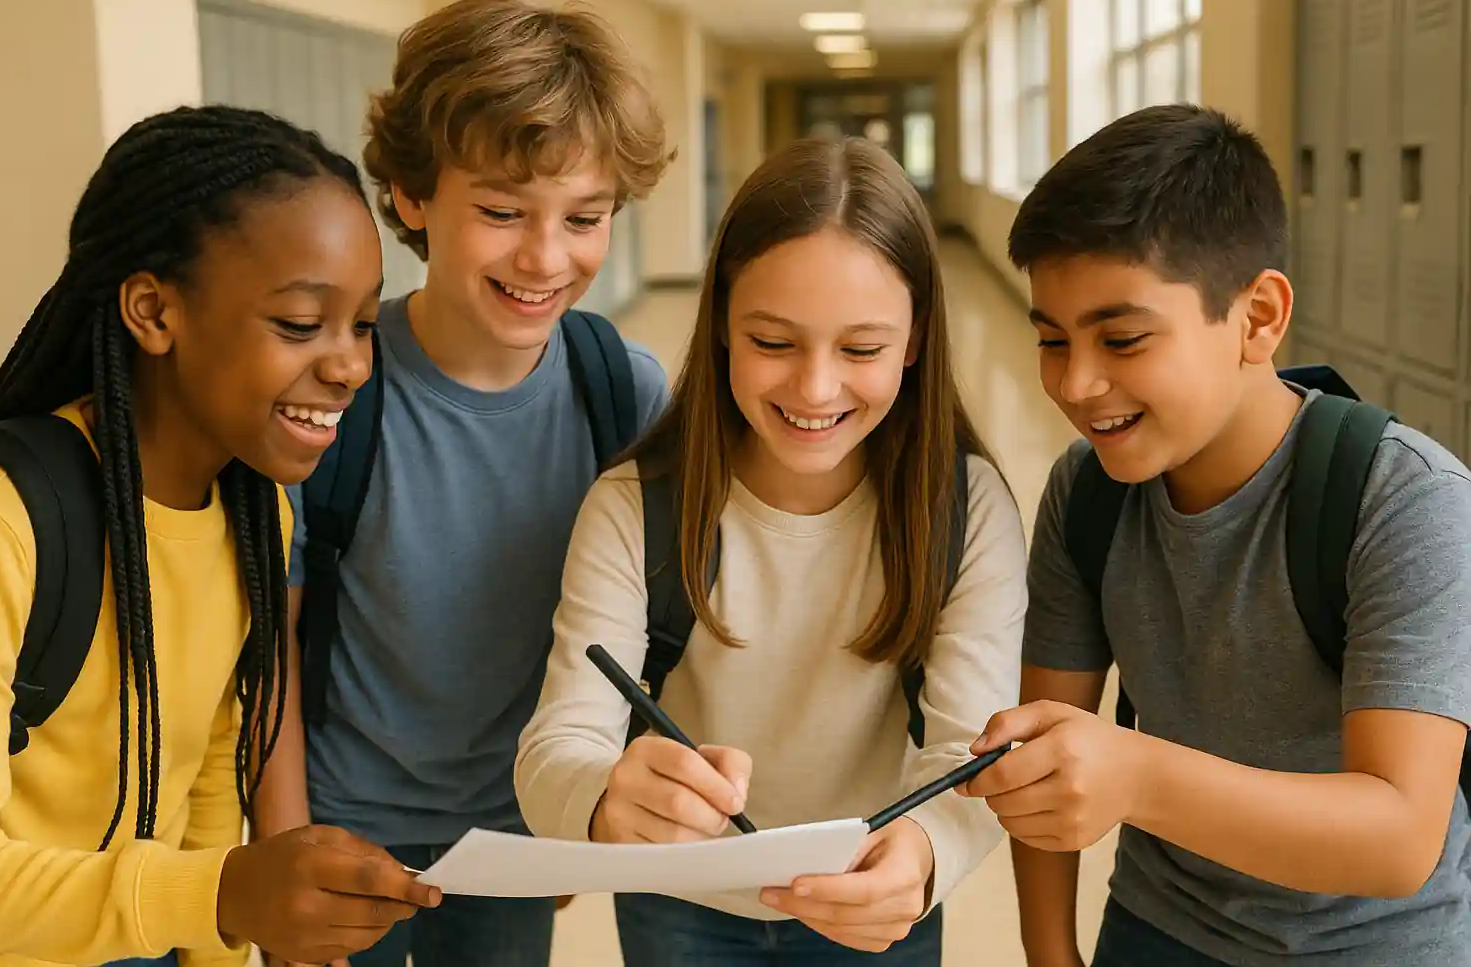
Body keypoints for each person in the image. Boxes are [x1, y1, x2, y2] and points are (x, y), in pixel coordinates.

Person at [959, 103, 1471, 966]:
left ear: (1259, 317)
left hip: (1378, 946)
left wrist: (1136, 776)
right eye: (1051, 340)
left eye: (1122, 339)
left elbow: (1398, 839)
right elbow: (1045, 751)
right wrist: (1051, 956)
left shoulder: (1406, 501)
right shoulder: (1084, 494)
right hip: (1158, 929)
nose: (1078, 385)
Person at [0, 105, 442, 967]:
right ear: (152, 310)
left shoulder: (256, 511)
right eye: (298, 324)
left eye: (361, 323)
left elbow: (209, 778)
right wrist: (220, 893)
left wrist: (220, 929)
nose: (352, 364)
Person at [514, 135, 1028, 965]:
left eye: (860, 349)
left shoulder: (965, 511)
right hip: (679, 898)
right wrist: (606, 797)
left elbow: (970, 753)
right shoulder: (633, 506)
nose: (815, 389)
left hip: (872, 895)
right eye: (774, 343)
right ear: (720, 322)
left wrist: (925, 853)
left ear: (917, 339)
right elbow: (556, 747)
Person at [250, 0, 674, 967]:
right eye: (499, 210)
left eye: (585, 217)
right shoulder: (337, 390)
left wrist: (585, 806)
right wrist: (282, 848)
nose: (545, 255)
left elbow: (651, 627)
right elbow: (269, 640)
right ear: (408, 193)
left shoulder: (626, 394)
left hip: (515, 831)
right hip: (340, 819)